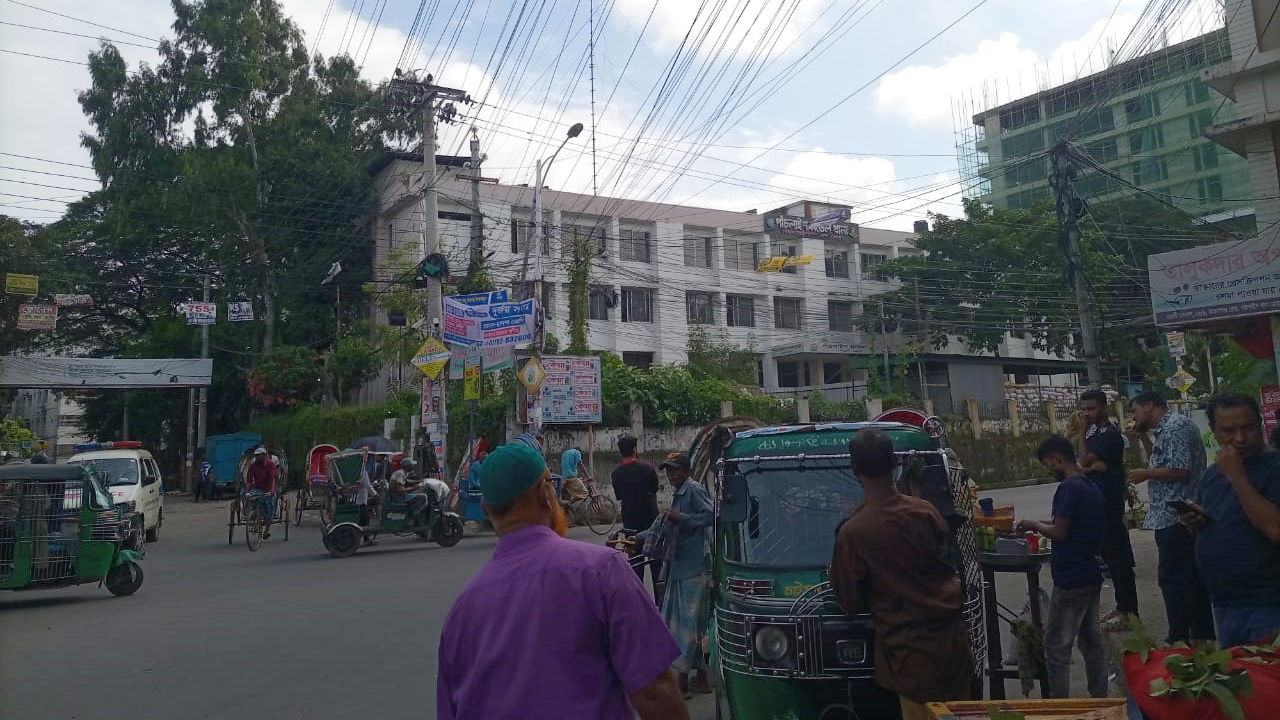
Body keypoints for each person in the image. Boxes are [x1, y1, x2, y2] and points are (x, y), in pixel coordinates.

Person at [437, 443, 689, 720]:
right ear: (546, 495)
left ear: (487, 510)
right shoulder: (601, 570)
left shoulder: (461, 612)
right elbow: (655, 690)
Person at [830, 430, 972, 720]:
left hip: (910, 659)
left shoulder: (854, 532)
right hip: (953, 648)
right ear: (895, 463)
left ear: (854, 468)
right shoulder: (925, 511)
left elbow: (849, 601)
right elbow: (951, 565)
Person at [1179, 394, 1280, 647]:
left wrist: (1237, 475)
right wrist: (1195, 521)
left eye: (1247, 428)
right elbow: (1221, 521)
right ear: (1213, 431)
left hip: (1268, 605)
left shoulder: (1273, 468)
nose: (1240, 438)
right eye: (1229, 430)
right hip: (1225, 605)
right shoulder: (1213, 475)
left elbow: (1275, 529)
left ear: (1259, 424)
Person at [1018, 435, 1107, 700]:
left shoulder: (1069, 488)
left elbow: (1059, 531)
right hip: (1090, 574)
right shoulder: (1090, 486)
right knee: (1092, 643)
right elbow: (1067, 522)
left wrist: (1034, 526)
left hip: (1071, 579)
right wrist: (1036, 522)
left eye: (1048, 464)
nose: (1049, 469)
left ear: (1058, 459)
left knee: (1056, 646)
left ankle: (1059, 704)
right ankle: (1101, 698)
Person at [1128, 391, 1215, 644]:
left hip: (1176, 515)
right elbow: (1163, 458)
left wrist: (1146, 473)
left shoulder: (1176, 427)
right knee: (1190, 576)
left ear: (1149, 406)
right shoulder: (1167, 430)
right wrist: (1143, 437)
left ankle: (1180, 635)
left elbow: (1181, 469)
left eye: (1135, 410)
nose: (1133, 416)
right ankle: (1199, 633)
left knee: (1174, 579)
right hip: (1172, 514)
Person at [637, 453, 714, 698]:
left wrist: (683, 518)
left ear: (686, 470)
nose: (670, 475)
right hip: (680, 566)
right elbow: (662, 527)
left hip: (695, 567)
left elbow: (712, 516)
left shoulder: (693, 490)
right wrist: (635, 538)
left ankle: (681, 676)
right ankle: (700, 677)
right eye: (668, 470)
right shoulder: (680, 493)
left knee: (688, 627)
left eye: (674, 470)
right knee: (689, 625)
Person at [1074, 389, 1138, 630]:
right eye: (1084, 409)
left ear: (1103, 407)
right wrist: (1091, 467)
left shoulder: (1109, 435)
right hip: (1098, 501)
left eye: (1091, 409)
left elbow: (1084, 460)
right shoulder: (1094, 433)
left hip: (1110, 502)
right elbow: (1089, 463)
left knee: (1119, 557)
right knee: (1111, 557)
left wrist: (1089, 465)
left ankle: (1130, 611)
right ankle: (1123, 606)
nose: (1086, 413)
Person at [612, 436, 662, 595]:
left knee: (636, 566)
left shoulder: (616, 474)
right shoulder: (647, 469)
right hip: (651, 522)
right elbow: (655, 489)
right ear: (634, 449)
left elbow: (619, 496)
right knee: (656, 566)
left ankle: (639, 605)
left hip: (630, 523)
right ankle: (660, 607)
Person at [245, 448, 279, 538]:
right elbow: (249, 479)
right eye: (255, 456)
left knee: (269, 509)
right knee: (250, 498)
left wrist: (271, 491)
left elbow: (273, 479)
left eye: (257, 455)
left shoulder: (271, 465)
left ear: (263, 455)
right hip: (257, 488)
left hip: (268, 489)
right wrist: (247, 491)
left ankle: (267, 529)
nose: (256, 457)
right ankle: (253, 514)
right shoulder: (253, 465)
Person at [389, 458, 428, 523]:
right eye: (411, 465)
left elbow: (407, 481)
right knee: (423, 497)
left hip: (398, 496)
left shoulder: (402, 472)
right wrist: (415, 487)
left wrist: (420, 481)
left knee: (417, 495)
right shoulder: (400, 474)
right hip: (398, 497)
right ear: (407, 466)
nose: (413, 466)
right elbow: (400, 490)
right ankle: (412, 514)